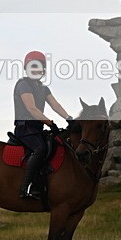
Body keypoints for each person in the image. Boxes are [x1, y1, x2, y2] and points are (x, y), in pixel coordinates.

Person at [13, 50, 73, 199]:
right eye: (33, 66)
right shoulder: (23, 85)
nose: (36, 70)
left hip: (37, 129)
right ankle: (26, 188)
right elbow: (31, 108)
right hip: (25, 128)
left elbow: (55, 105)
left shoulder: (44, 88)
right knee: (41, 148)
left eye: (38, 66)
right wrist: (50, 123)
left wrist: (69, 118)